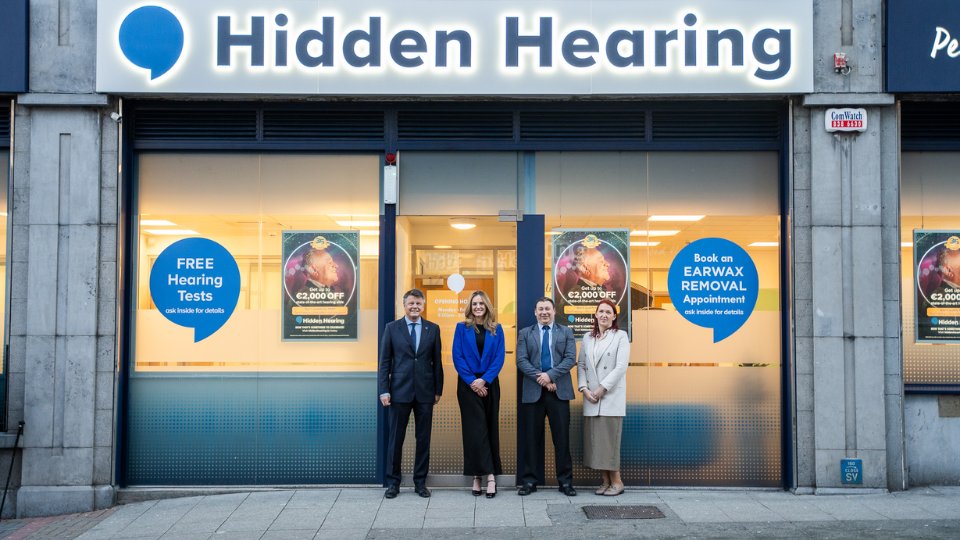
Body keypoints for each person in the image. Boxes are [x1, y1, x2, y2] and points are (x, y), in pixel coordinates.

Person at [378, 289, 443, 499]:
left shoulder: (432, 329)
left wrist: (438, 389)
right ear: (404, 305)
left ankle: (420, 482)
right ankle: (393, 483)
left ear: (423, 306)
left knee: (423, 439)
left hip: (425, 392)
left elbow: (437, 362)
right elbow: (384, 362)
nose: (415, 307)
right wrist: (384, 390)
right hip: (399, 392)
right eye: (411, 304)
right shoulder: (392, 328)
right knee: (396, 438)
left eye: (418, 304)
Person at [515, 297, 578, 496]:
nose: (544, 312)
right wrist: (541, 379)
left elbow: (570, 359)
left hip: (559, 392)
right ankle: (529, 481)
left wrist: (550, 375)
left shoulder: (566, 332)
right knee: (531, 439)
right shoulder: (525, 333)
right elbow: (521, 360)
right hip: (533, 393)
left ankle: (565, 482)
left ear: (553, 311)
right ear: (535, 312)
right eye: (540, 309)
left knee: (562, 440)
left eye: (547, 309)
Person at [452, 291, 505, 498]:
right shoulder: (461, 328)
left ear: (487, 306)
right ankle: (477, 476)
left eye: (481, 303)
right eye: (474, 304)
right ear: (470, 307)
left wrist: (484, 380)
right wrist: (473, 382)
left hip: (489, 384)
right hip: (468, 386)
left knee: (490, 428)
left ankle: (490, 476)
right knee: (474, 431)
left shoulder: (496, 329)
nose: (478, 307)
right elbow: (458, 356)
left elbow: (499, 358)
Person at [577, 298, 630, 496]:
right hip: (591, 397)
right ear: (596, 314)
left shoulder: (620, 336)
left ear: (614, 316)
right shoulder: (588, 338)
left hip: (609, 397)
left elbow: (620, 367)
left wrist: (601, 389)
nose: (604, 315)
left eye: (609, 312)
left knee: (610, 441)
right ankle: (605, 481)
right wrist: (584, 388)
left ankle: (617, 481)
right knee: (597, 443)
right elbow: (581, 365)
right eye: (601, 311)